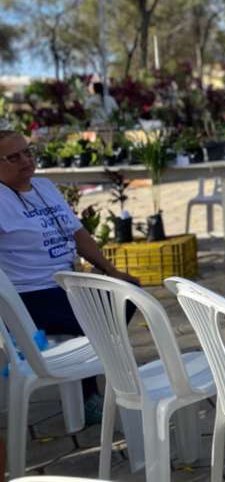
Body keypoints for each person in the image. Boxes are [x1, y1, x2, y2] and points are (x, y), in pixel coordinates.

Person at [0, 130, 139, 423]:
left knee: (128, 296)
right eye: (13, 157)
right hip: (29, 295)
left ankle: (85, 379)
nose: (26, 160)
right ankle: (88, 394)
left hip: (67, 283)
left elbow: (78, 234)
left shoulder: (44, 187)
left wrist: (111, 271)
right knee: (94, 318)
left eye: (28, 152)